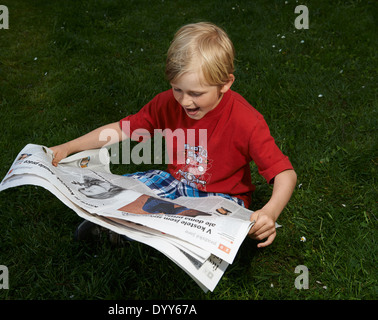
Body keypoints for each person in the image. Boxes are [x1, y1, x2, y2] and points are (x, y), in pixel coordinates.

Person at [49, 22, 297, 248]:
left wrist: (270, 212)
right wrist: (69, 147)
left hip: (223, 197)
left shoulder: (247, 120)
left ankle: (128, 233)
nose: (185, 101)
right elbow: (121, 129)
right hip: (175, 183)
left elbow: (284, 173)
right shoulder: (167, 103)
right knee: (114, 190)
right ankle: (117, 225)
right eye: (177, 89)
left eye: (196, 93)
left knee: (191, 232)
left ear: (225, 83)